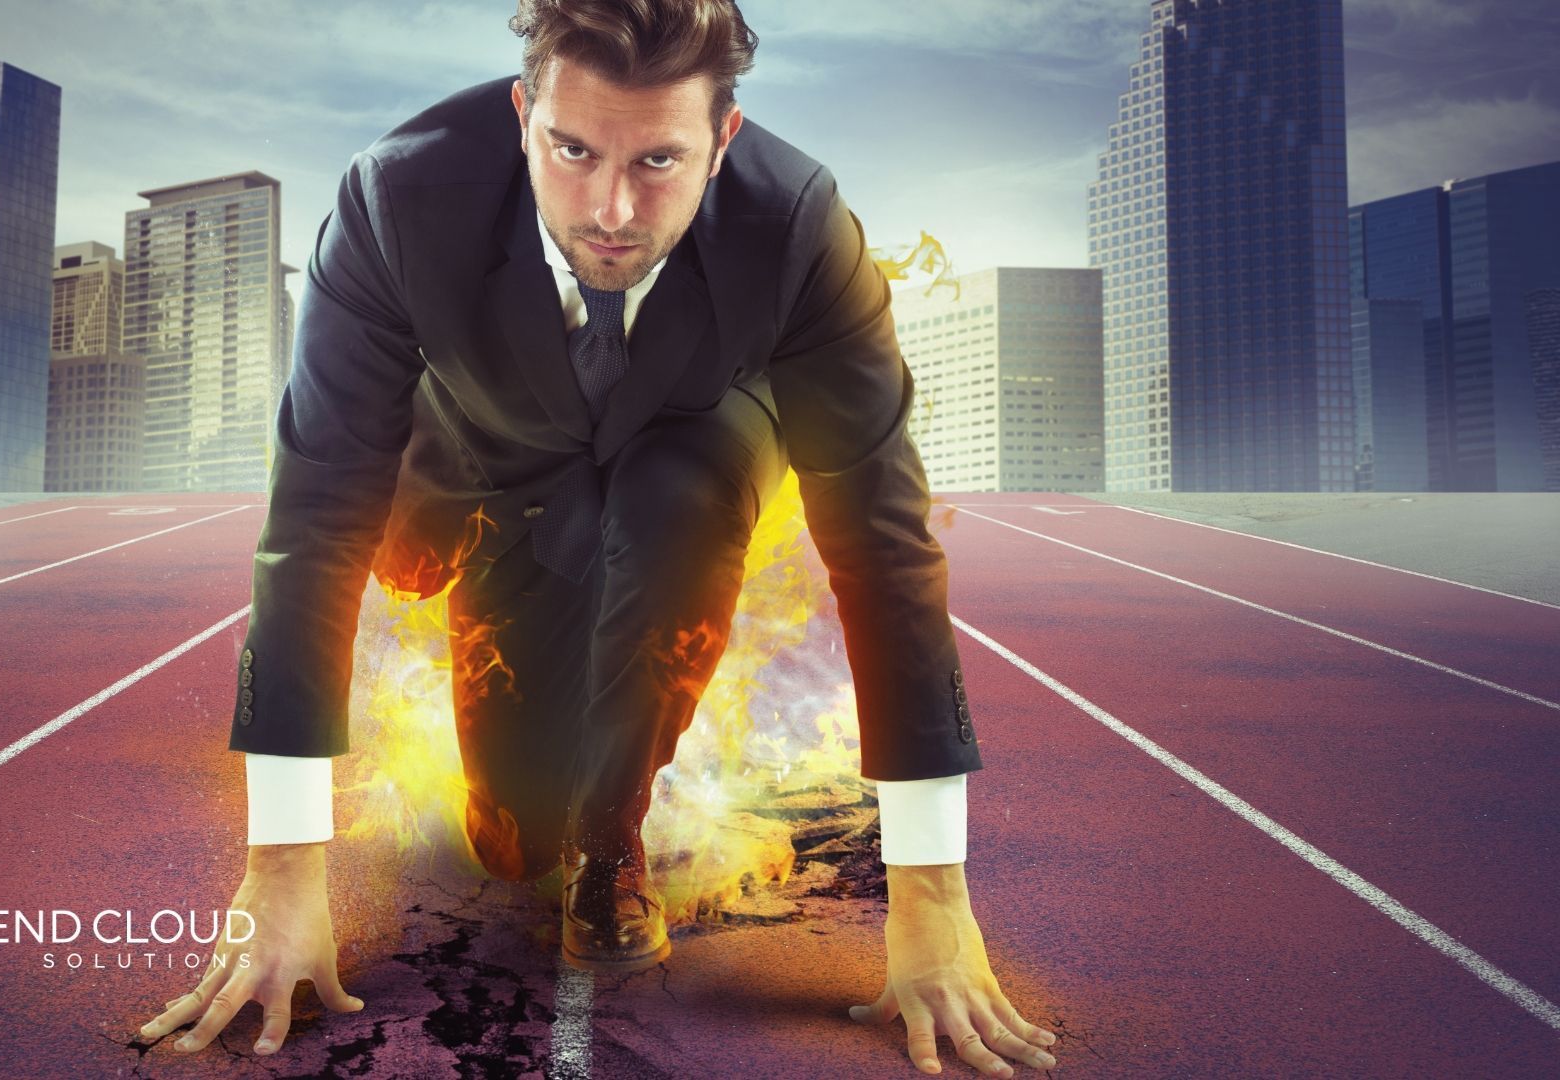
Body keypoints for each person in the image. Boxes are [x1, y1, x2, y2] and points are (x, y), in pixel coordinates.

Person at [140, 1, 1059, 1075]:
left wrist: (933, 897)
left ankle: (611, 839)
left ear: (724, 144)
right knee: (509, 841)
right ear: (524, 113)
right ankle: (498, 578)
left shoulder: (800, 225)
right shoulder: (398, 198)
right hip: (489, 458)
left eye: (659, 160)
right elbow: (313, 510)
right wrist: (283, 870)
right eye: (572, 150)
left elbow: (884, 540)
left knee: (673, 502)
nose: (611, 207)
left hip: (697, 431)